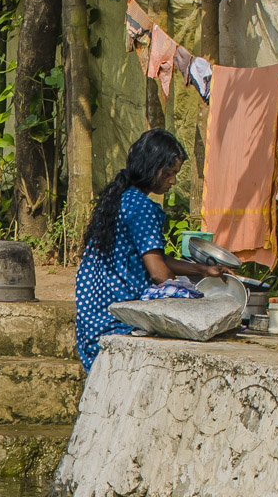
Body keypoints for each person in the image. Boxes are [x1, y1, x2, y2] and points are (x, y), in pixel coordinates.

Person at [75, 129, 224, 371]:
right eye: (170, 173)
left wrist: (203, 270)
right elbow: (158, 272)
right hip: (116, 317)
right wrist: (185, 298)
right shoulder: (142, 207)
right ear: (153, 168)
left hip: (91, 317)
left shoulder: (121, 197)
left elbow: (152, 256)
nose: (173, 181)